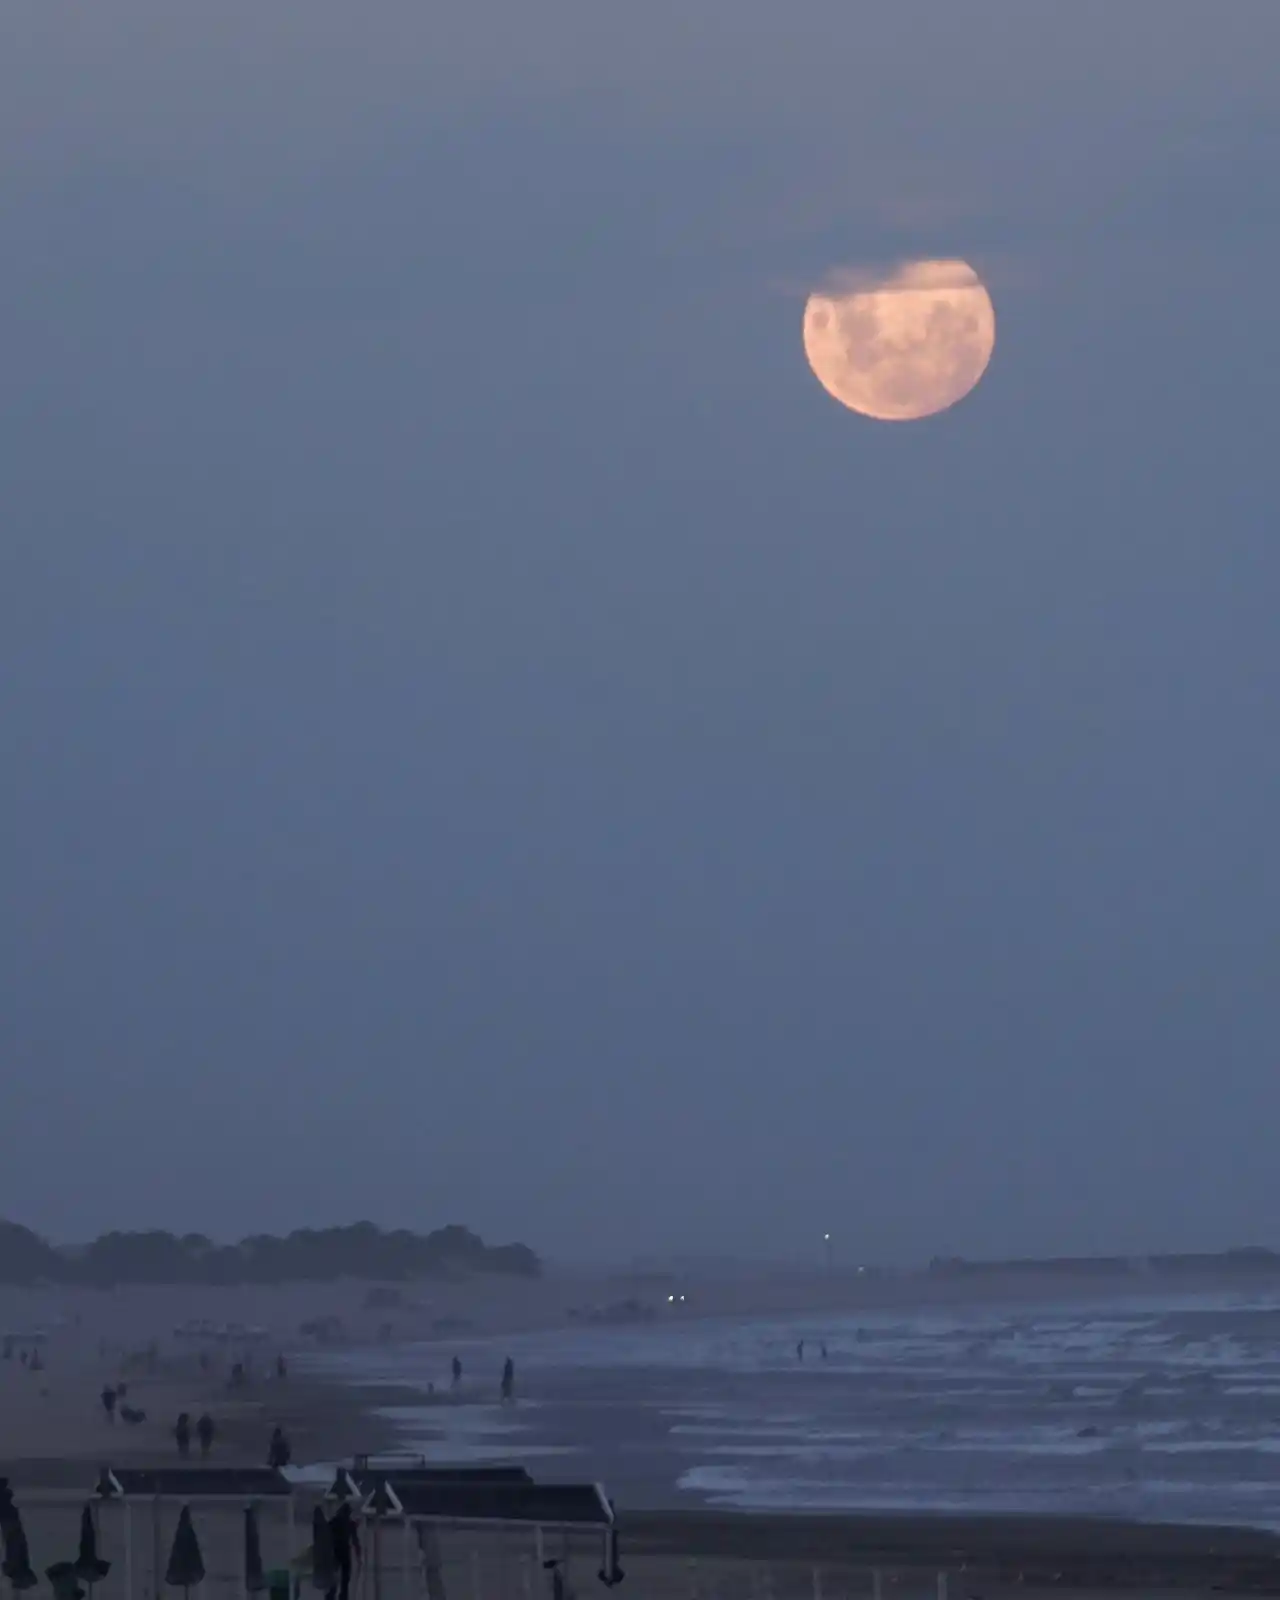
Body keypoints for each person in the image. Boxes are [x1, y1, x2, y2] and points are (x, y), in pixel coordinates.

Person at [327, 1501, 362, 1600]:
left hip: (336, 1551)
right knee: (343, 1577)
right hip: (340, 1551)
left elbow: (355, 1541)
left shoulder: (334, 1522)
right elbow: (355, 1542)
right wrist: (358, 1556)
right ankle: (340, 1596)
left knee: (338, 1576)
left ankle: (333, 1595)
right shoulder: (349, 1523)